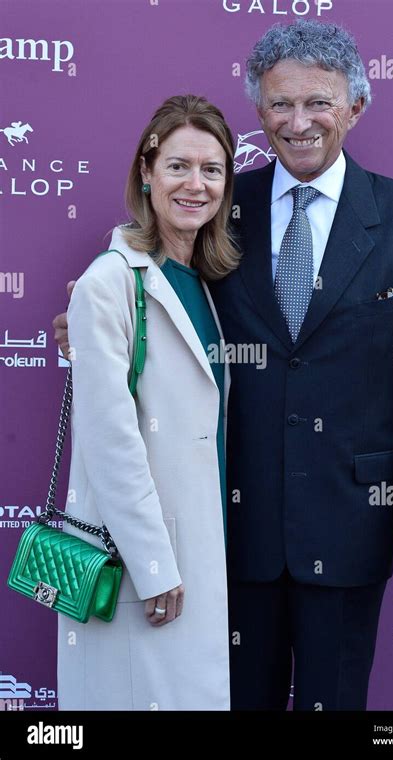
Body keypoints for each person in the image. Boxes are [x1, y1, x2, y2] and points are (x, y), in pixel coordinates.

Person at [54, 21, 393, 711]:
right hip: (227, 527)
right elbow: (153, 287)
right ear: (260, 112)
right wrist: (92, 330)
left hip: (350, 521)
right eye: (279, 104)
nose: (298, 122)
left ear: (355, 107)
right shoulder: (216, 204)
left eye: (318, 103)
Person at [56, 94, 240, 710]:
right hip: (145, 566)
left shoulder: (212, 285)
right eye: (178, 167)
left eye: (212, 170)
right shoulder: (110, 282)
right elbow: (110, 443)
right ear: (145, 171)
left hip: (207, 549)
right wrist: (155, 564)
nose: (196, 185)